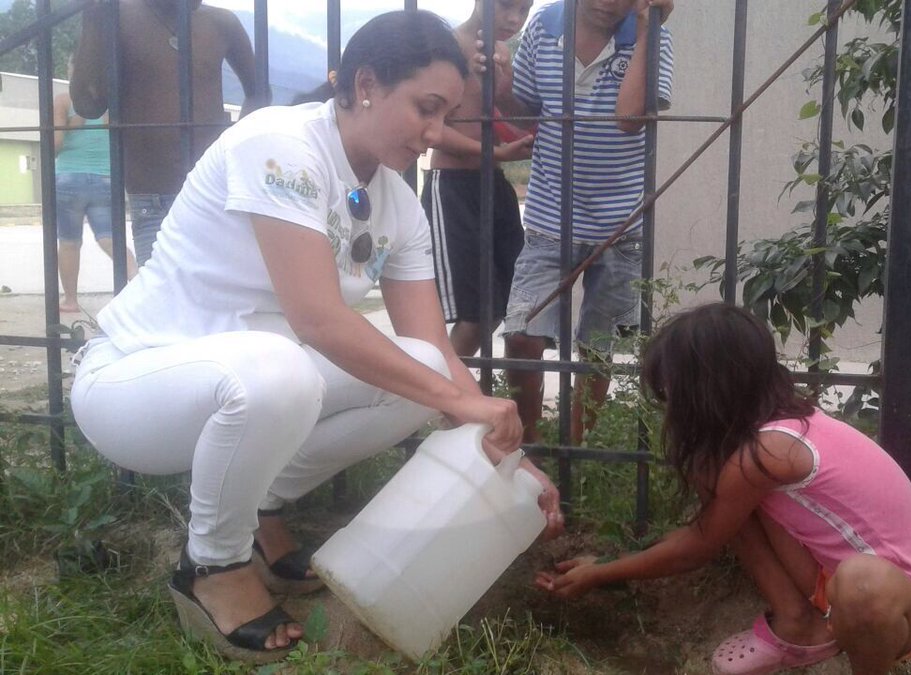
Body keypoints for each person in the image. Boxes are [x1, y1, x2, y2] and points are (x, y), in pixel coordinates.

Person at [69, 11, 562, 664]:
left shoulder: (395, 202)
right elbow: (318, 320)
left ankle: (256, 512)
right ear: (365, 85)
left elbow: (434, 348)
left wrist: (507, 452)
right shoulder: (280, 143)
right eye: (426, 108)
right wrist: (469, 404)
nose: (437, 132)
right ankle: (211, 563)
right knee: (281, 369)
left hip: (253, 384)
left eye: (446, 115)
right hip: (134, 382)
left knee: (417, 370)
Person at [535, 304, 911, 675]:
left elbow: (698, 546)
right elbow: (708, 527)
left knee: (862, 583)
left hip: (904, 607)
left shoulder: (772, 450)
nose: (668, 401)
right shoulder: (773, 432)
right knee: (715, 477)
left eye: (672, 389)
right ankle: (797, 622)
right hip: (830, 582)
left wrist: (601, 573)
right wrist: (606, 564)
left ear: (706, 387)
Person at [497, 0, 675, 444]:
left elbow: (630, 119)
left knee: (598, 347)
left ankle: (576, 447)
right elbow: (526, 114)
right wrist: (500, 91)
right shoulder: (544, 27)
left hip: (620, 226)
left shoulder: (651, 35)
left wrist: (648, 27)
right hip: (547, 218)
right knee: (522, 334)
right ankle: (529, 443)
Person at [70, 0, 270, 266]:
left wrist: (235, 149)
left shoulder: (221, 22)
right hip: (153, 196)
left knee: (217, 298)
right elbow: (88, 104)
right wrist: (93, 17)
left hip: (215, 190)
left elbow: (259, 93)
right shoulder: (117, 14)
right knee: (164, 300)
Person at [421, 0, 536, 358]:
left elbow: (503, 118)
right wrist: (499, 153)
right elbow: (432, 130)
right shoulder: (447, 45)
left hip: (494, 185)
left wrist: (501, 91)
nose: (515, 19)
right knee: (473, 316)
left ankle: (451, 397)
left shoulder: (501, 51)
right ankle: (438, 404)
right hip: (452, 187)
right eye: (506, 6)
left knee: (504, 306)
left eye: (524, 9)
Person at [53, 55, 137, 314]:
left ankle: (70, 300)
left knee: (68, 242)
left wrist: (73, 123)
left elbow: (53, 146)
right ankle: (137, 283)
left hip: (68, 178)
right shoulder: (111, 101)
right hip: (105, 178)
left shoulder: (64, 100)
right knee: (110, 237)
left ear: (71, 71)